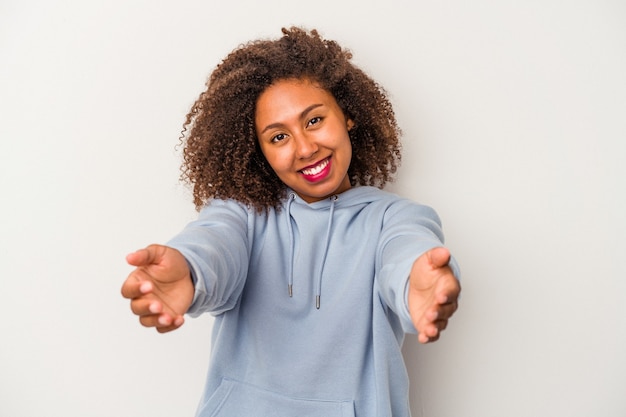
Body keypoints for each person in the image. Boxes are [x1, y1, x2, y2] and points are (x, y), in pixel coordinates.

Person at [121, 26, 461, 417]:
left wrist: (416, 282)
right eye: (278, 137)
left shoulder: (393, 219)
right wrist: (188, 270)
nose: (304, 148)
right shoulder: (243, 214)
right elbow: (213, 244)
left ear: (347, 115)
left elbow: (406, 251)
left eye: (314, 120)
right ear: (259, 151)